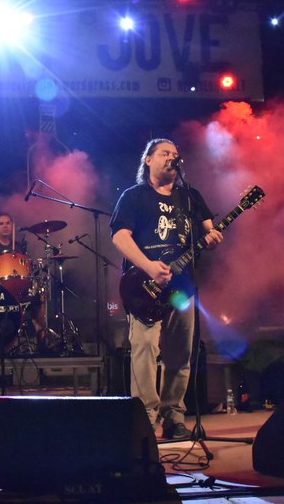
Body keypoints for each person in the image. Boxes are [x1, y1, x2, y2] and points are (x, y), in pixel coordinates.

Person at [110, 138, 223, 438]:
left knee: (180, 352)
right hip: (144, 286)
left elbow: (209, 229)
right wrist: (149, 266)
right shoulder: (134, 196)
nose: (172, 157)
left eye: (175, 154)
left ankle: (174, 416)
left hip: (183, 286)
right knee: (145, 349)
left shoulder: (190, 197)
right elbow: (120, 237)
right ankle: (145, 418)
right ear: (148, 159)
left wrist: (212, 237)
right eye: (164, 153)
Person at [0, 212, 50, 350]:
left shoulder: (17, 246)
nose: (5, 226)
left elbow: (24, 270)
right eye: (1, 223)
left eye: (8, 223)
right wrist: (2, 266)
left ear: (12, 226)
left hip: (17, 289)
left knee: (38, 297)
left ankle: (41, 339)